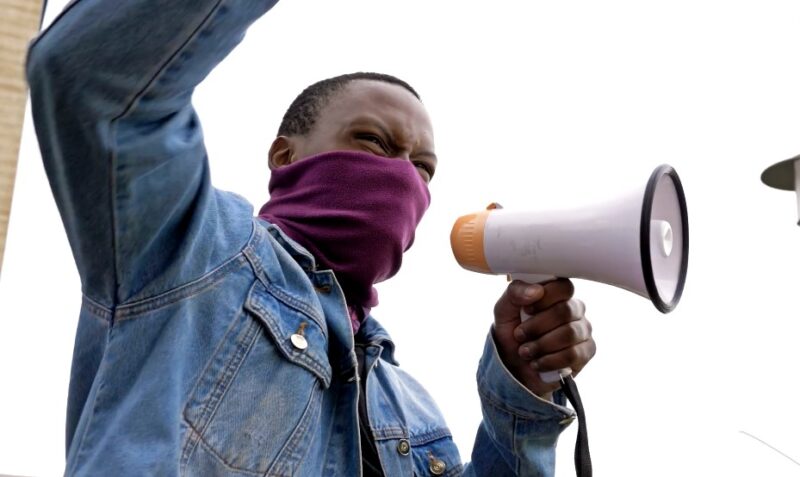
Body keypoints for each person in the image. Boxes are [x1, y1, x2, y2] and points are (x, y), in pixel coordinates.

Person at [26, 0, 596, 475]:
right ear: (285, 156)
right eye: (374, 141)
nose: (402, 177)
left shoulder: (410, 407)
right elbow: (90, 80)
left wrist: (524, 387)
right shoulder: (194, 245)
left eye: (423, 170)